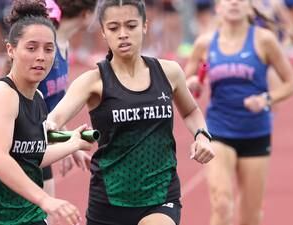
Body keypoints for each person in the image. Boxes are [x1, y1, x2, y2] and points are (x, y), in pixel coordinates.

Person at [47, 1, 215, 225]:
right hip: (109, 199)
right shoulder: (93, 81)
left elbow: (191, 111)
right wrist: (70, 141)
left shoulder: (169, 72)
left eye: (131, 26)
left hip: (160, 195)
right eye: (114, 28)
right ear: (104, 32)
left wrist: (202, 135)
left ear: (145, 26)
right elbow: (52, 123)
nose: (123, 34)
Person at [0, 1, 93, 225]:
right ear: (11, 50)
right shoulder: (3, 95)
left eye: (48, 49)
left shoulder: (37, 99)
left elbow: (31, 157)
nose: (41, 57)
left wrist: (72, 144)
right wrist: (46, 200)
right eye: (31, 47)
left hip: (22, 215)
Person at [185, 0, 293, 225]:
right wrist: (192, 84)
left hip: (255, 133)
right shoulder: (205, 43)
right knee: (222, 203)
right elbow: (183, 86)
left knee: (250, 214)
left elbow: (291, 83)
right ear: (218, 7)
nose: (234, 2)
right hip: (218, 130)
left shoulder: (264, 40)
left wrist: (266, 99)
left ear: (250, 6)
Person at [38, 0, 97, 211]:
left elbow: (54, 104)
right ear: (86, 14)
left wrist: (67, 145)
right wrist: (64, 144)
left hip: (41, 141)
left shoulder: (64, 44)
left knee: (46, 215)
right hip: (25, 141)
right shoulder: (46, 44)